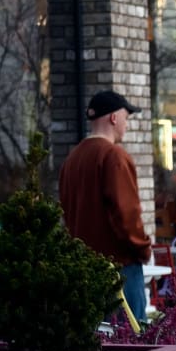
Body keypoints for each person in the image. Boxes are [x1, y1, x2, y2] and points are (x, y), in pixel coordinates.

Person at [58, 90, 154, 321]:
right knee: (129, 343)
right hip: (118, 270)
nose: (127, 125)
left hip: (83, 270)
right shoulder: (113, 156)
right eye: (126, 118)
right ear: (113, 118)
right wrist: (143, 249)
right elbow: (126, 214)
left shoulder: (72, 159)